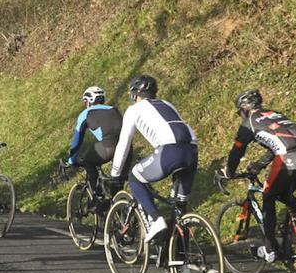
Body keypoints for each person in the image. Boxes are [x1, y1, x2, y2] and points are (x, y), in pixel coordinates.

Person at [220, 89, 296, 263]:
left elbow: (237, 151)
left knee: (268, 196)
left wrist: (229, 172)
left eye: (239, 112)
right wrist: (259, 164)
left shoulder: (249, 123)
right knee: (285, 195)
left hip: (288, 158)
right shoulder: (274, 114)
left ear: (244, 108)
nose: (240, 115)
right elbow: (280, 141)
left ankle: (270, 248)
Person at [111, 75, 198, 243]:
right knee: (180, 209)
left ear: (135, 94)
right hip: (192, 151)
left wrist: (115, 174)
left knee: (135, 177)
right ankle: (182, 263)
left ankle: (155, 221)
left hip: (169, 150)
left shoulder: (133, 110)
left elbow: (124, 145)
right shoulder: (167, 104)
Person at [65, 86, 128, 200]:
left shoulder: (86, 113)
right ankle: (118, 209)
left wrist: (71, 160)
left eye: (85, 101)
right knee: (117, 186)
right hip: (127, 148)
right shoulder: (114, 109)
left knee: (88, 161)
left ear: (89, 101)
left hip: (108, 147)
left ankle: (97, 197)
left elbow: (77, 141)